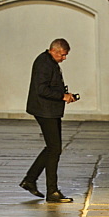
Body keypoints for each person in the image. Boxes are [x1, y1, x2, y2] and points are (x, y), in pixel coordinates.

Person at [21, 38, 77, 203]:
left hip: (49, 110)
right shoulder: (44, 63)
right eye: (63, 55)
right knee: (54, 149)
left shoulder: (48, 61)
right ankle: (51, 191)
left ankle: (30, 180)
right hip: (45, 110)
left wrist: (65, 95)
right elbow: (42, 89)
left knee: (53, 148)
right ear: (55, 50)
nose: (64, 58)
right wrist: (62, 96)